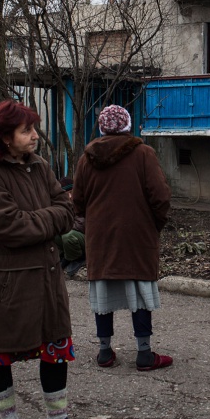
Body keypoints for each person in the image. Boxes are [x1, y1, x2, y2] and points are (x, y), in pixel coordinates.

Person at [0, 100, 76, 419]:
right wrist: (49, 218)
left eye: (34, 128)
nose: (34, 135)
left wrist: (42, 218)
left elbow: (68, 211)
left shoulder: (38, 165)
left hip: (45, 278)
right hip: (4, 285)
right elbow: (10, 227)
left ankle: (58, 418)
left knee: (55, 351)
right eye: (27, 130)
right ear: (6, 136)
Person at [72, 104, 173, 371]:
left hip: (100, 238)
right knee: (139, 292)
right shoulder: (143, 154)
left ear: (102, 127)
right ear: (128, 125)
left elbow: (78, 202)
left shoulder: (86, 158)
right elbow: (160, 196)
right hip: (136, 236)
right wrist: (154, 225)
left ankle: (104, 352)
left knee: (102, 292)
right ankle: (144, 354)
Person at [54, 176, 86, 277]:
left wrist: (66, 225)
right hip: (76, 233)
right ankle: (66, 256)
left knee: (68, 235)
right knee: (56, 234)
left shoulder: (82, 202)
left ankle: (78, 258)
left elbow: (83, 224)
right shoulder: (63, 204)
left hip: (86, 238)